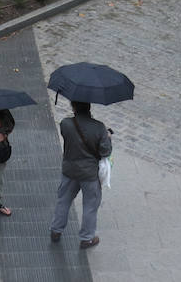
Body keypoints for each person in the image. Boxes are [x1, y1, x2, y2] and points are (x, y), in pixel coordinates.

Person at [49, 100, 111, 250]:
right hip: (89, 173)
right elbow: (105, 152)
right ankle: (87, 238)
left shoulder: (66, 124)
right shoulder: (99, 127)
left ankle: (56, 230)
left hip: (69, 170)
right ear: (89, 107)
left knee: (63, 200)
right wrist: (107, 138)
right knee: (90, 205)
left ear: (74, 107)